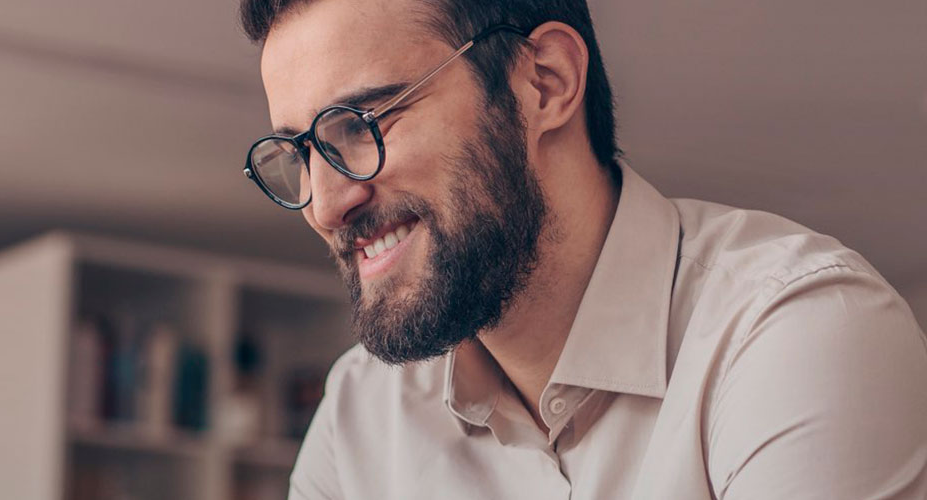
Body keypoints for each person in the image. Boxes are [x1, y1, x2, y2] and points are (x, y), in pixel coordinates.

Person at [234, 0, 927, 498]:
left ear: (545, 81)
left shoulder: (795, 332)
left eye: (361, 122)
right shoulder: (359, 416)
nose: (326, 205)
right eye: (300, 154)